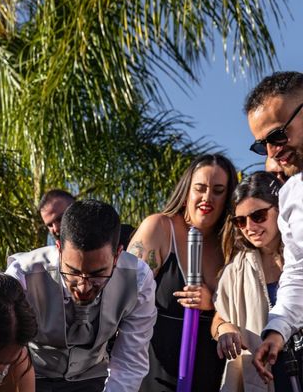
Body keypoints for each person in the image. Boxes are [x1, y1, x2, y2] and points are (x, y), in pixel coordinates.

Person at [6, 198, 156, 391]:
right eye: (73, 271)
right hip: (31, 377)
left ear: (117, 255)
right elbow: (4, 353)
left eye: (97, 274)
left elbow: (129, 361)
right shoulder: (23, 275)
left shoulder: (138, 280)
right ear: (59, 249)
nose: (83, 287)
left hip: (95, 378)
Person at [128, 153, 238, 391]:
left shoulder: (232, 245)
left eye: (218, 191)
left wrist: (213, 303)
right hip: (154, 373)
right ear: (187, 189)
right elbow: (124, 295)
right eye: (200, 188)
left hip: (212, 377)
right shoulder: (159, 228)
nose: (207, 197)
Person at [245, 71, 303, 381]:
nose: (272, 151)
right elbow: (298, 274)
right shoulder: (293, 195)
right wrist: (277, 331)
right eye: (261, 145)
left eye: (277, 135)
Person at [212, 172, 292, 391]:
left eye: (258, 216)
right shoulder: (235, 270)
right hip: (262, 373)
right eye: (240, 221)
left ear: (280, 208)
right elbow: (220, 315)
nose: (249, 227)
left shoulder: (299, 255)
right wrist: (225, 329)